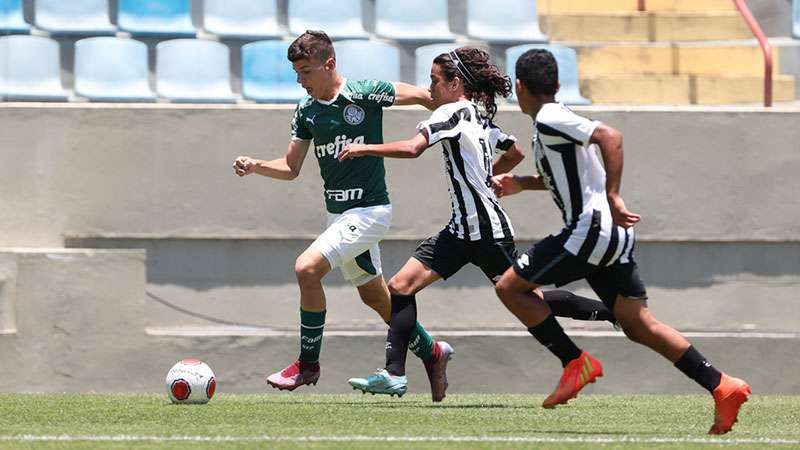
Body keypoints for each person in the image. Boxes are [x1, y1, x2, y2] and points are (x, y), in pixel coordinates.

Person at [492, 48, 751, 434]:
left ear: (519, 86)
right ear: (559, 84)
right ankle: (721, 385)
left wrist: (614, 195)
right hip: (613, 234)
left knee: (510, 288)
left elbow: (610, 136)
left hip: (591, 230)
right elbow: (568, 178)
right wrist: (523, 184)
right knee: (637, 324)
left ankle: (574, 362)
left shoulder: (549, 117)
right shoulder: (553, 123)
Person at [339, 47, 610, 401]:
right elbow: (514, 151)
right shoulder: (477, 116)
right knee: (401, 286)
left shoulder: (451, 111)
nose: (430, 88)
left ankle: (608, 315)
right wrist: (486, 177)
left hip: (486, 232)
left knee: (530, 297)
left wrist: (364, 149)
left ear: (455, 83)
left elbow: (412, 148)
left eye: (435, 80)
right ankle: (394, 373)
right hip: (460, 230)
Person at [232, 30, 449, 397]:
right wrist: (256, 166)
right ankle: (433, 352)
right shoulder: (306, 110)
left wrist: (462, 116)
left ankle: (307, 364)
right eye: (297, 74)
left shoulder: (363, 92)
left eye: (305, 71)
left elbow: (426, 97)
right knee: (376, 298)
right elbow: (290, 167)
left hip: (370, 212)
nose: (301, 82)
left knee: (306, 268)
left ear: (328, 64)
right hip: (340, 218)